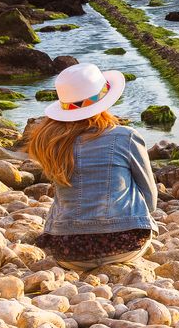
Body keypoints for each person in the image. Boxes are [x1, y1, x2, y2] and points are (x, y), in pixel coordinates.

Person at [26, 62, 158, 270]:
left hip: (68, 251)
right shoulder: (126, 137)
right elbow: (150, 202)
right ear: (105, 100)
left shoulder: (51, 143)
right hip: (124, 245)